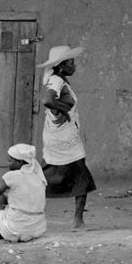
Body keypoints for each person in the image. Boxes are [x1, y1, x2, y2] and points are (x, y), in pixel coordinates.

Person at [37, 45, 97, 229]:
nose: (75, 66)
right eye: (71, 62)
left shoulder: (58, 79)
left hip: (58, 136)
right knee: (81, 175)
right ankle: (78, 220)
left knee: (44, 175)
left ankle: (24, 202)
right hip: (64, 138)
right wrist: (65, 110)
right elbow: (47, 100)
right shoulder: (57, 81)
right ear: (62, 65)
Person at [0, 143, 47, 243]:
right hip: (38, 229)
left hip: (14, 229)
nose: (7, 163)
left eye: (10, 161)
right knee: (12, 199)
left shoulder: (12, 176)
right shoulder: (38, 175)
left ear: (19, 161)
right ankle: (26, 234)